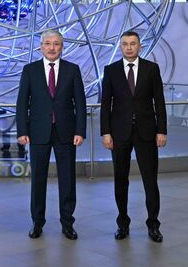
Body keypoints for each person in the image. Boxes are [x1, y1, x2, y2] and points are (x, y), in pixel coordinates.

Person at [16, 29, 86, 240]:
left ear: (62, 47)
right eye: (48, 43)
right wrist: (22, 131)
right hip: (38, 133)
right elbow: (22, 103)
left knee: (68, 180)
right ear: (41, 47)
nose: (52, 47)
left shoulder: (72, 70)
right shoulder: (30, 70)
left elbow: (80, 104)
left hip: (66, 133)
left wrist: (80, 131)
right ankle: (37, 223)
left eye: (56, 44)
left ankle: (67, 223)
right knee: (38, 179)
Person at [100, 30, 167, 243]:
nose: (129, 47)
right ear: (120, 47)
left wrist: (162, 130)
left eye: (133, 43)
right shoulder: (111, 70)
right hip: (119, 134)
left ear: (140, 46)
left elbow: (159, 102)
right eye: (125, 44)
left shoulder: (151, 69)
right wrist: (106, 132)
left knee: (150, 180)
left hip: (147, 133)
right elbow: (105, 105)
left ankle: (153, 225)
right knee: (120, 180)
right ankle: (122, 223)